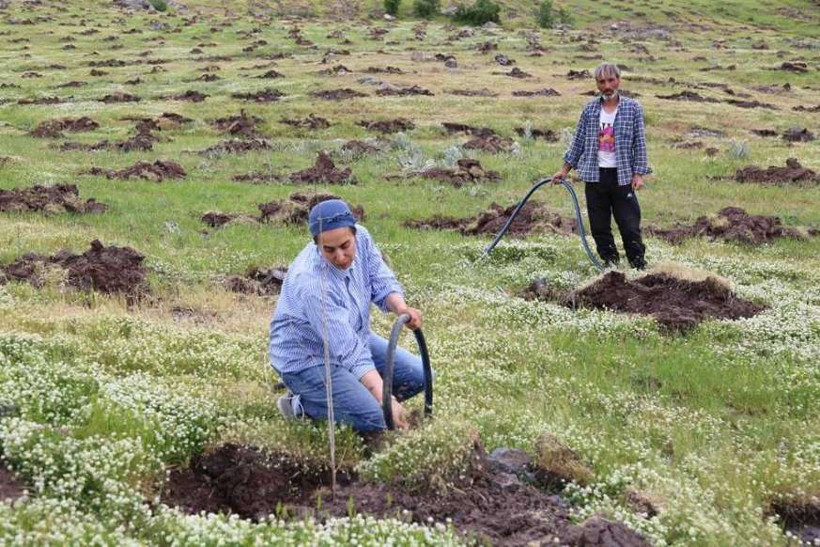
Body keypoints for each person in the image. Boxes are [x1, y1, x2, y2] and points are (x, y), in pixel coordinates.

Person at [269, 199, 427, 433]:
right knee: (379, 419)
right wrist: (387, 402)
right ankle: (301, 404)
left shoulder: (362, 237)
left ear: (353, 234)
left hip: (353, 334)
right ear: (317, 245)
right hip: (309, 357)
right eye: (329, 250)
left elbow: (380, 279)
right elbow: (350, 352)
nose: (341, 256)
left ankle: (345, 395)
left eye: (345, 245)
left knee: (419, 376)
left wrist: (401, 308)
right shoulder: (312, 283)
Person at [553, 63, 651, 270]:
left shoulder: (633, 108)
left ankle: (638, 265)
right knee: (599, 226)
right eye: (602, 82)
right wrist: (564, 170)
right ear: (597, 84)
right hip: (595, 176)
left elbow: (639, 143)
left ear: (618, 80)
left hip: (622, 177)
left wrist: (638, 174)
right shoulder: (589, 109)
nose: (607, 85)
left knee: (629, 224)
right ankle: (610, 266)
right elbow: (578, 141)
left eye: (610, 80)